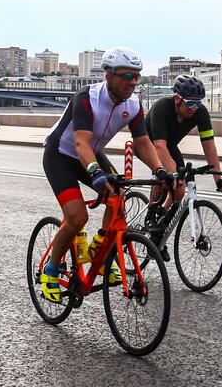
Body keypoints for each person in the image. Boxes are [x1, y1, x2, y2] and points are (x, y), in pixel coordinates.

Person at [39, 46, 171, 303]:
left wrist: (161, 170)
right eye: (126, 75)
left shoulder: (133, 104)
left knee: (118, 193)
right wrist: (95, 173)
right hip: (61, 155)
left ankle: (101, 253)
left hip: (91, 153)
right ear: (108, 75)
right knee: (77, 217)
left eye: (137, 76)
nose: (132, 82)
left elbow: (143, 142)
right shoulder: (87, 98)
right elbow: (81, 144)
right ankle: (51, 270)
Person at [145, 74, 222, 206]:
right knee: (165, 181)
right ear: (177, 99)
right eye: (190, 103)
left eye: (198, 103)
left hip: (170, 147)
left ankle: (164, 219)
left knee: (179, 191)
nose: (194, 108)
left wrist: (218, 180)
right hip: (148, 147)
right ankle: (151, 215)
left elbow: (209, 146)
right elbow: (159, 146)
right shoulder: (161, 107)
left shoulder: (200, 112)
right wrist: (173, 174)